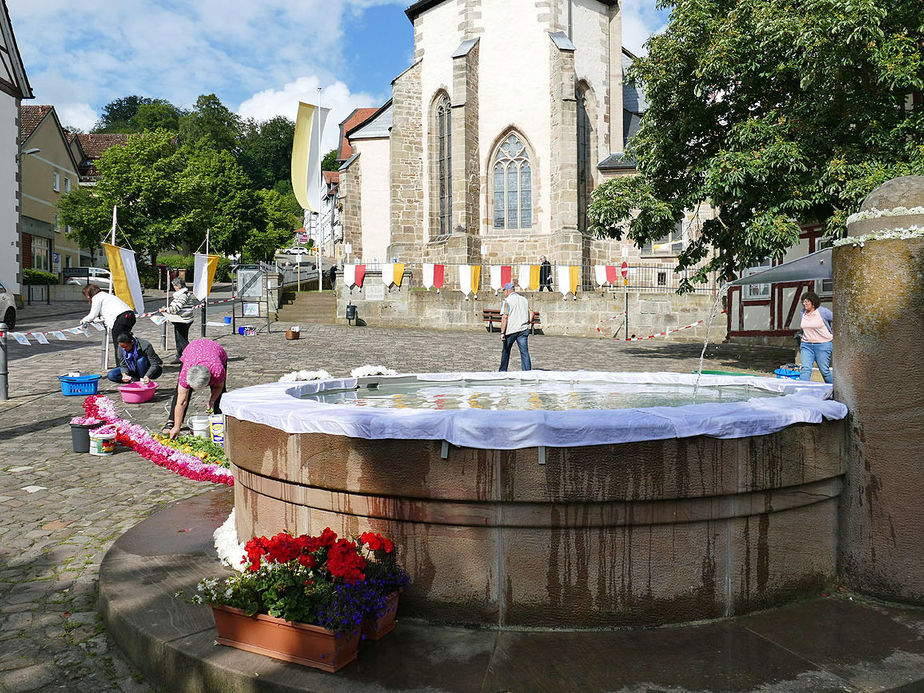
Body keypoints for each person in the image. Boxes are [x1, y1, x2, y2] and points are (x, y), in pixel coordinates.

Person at [165, 338, 228, 439]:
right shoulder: (185, 373)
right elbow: (181, 402)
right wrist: (177, 427)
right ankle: (173, 422)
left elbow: (218, 387)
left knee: (220, 395)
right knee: (180, 394)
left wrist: (212, 401)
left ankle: (219, 421)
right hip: (192, 351)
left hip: (215, 351)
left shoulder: (217, 370)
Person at [80, 284, 136, 364]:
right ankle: (131, 363)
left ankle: (121, 367)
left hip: (121, 318)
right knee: (127, 343)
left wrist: (83, 320)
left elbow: (93, 315)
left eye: (86, 295)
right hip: (130, 316)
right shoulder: (106, 295)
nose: (87, 297)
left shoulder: (97, 297)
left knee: (119, 344)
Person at [799, 291, 833, 383]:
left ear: (813, 302)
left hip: (823, 345)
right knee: (805, 369)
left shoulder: (823, 312)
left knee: (824, 371)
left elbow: (837, 319)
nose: (804, 304)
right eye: (803, 302)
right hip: (806, 345)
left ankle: (835, 392)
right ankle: (801, 392)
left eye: (807, 302)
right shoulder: (803, 313)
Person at [159, 277, 197, 361]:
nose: (174, 288)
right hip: (179, 320)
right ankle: (180, 356)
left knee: (182, 340)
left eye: (175, 286)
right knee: (178, 338)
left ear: (178, 286)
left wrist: (165, 310)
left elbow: (176, 308)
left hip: (183, 320)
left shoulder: (183, 295)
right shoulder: (182, 294)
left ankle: (190, 357)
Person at [499, 282, 534, 372]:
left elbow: (505, 317)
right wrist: (528, 321)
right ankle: (527, 372)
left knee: (506, 352)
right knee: (524, 353)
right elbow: (531, 313)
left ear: (507, 291)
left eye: (504, 291)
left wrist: (502, 332)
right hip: (523, 329)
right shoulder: (524, 300)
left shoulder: (506, 301)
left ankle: (502, 371)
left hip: (511, 330)